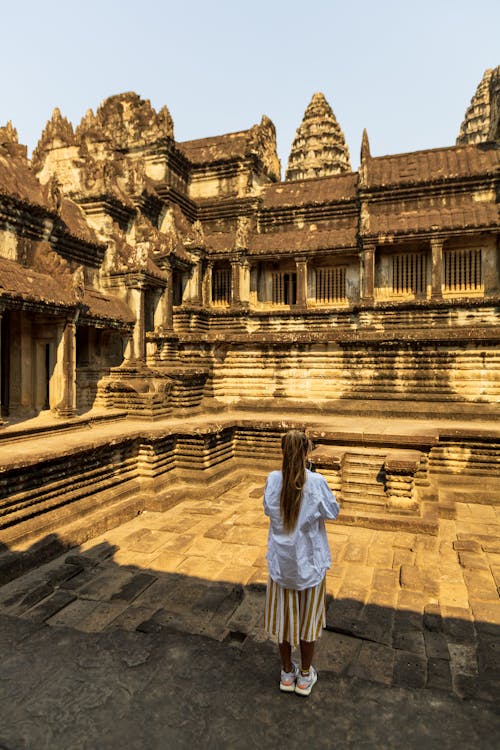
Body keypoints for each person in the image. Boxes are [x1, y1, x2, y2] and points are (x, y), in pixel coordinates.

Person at [263, 430, 340, 696]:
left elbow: (267, 509)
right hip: (310, 565)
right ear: (307, 452)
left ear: (283, 452)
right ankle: (305, 676)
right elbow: (333, 511)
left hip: (282, 566)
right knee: (308, 624)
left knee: (285, 623)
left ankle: (287, 673)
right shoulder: (316, 482)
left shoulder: (273, 480)